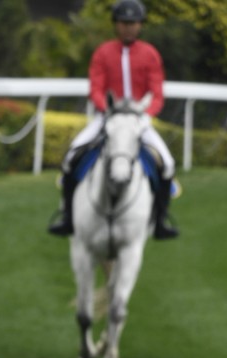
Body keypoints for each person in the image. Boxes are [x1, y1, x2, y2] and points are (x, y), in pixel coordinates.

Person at [48, 0, 179, 240]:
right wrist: (105, 108)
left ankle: (160, 220)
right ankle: (67, 216)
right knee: (70, 157)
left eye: (133, 23)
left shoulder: (150, 54)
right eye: (124, 23)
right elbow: (96, 88)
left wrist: (147, 114)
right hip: (107, 118)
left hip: (139, 119)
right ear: (116, 25)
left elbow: (157, 92)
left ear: (140, 25)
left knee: (168, 163)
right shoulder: (103, 52)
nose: (128, 28)